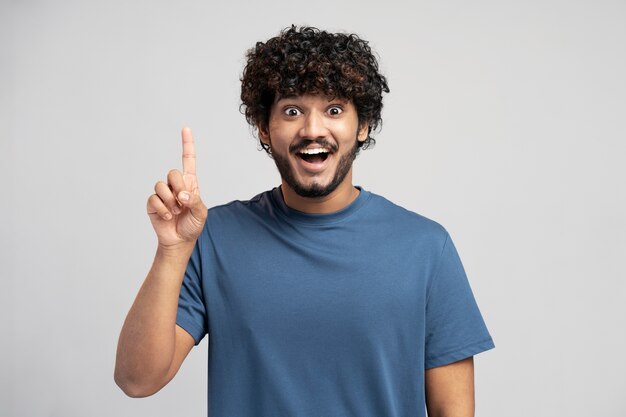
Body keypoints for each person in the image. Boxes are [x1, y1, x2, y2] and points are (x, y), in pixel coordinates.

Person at [114, 25, 495, 417]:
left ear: (362, 125)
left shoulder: (427, 248)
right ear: (265, 128)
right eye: (292, 111)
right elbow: (137, 380)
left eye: (334, 110)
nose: (313, 130)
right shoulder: (213, 238)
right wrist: (171, 250)